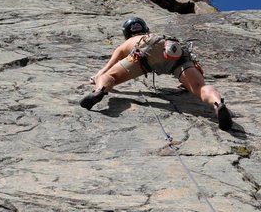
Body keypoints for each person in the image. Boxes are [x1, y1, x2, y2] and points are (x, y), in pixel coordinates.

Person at [80, 16, 233, 130]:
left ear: (126, 33)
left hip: (145, 52)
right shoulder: (154, 34)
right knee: (200, 88)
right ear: (145, 29)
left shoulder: (126, 43)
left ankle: (99, 91)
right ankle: (217, 103)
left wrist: (98, 77)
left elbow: (107, 68)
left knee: (110, 77)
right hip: (174, 49)